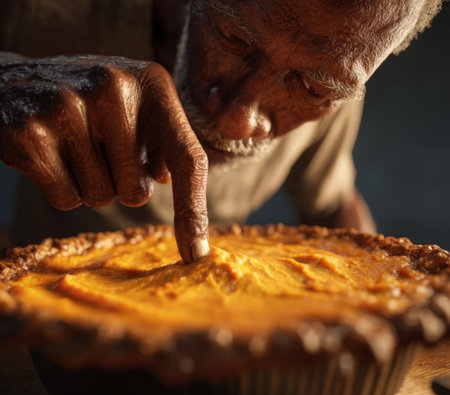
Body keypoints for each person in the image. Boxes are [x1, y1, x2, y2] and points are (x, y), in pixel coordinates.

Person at [0, 0, 443, 262]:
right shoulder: (39, 14)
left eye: (310, 87)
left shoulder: (333, 101)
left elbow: (335, 208)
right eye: (233, 37)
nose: (236, 119)